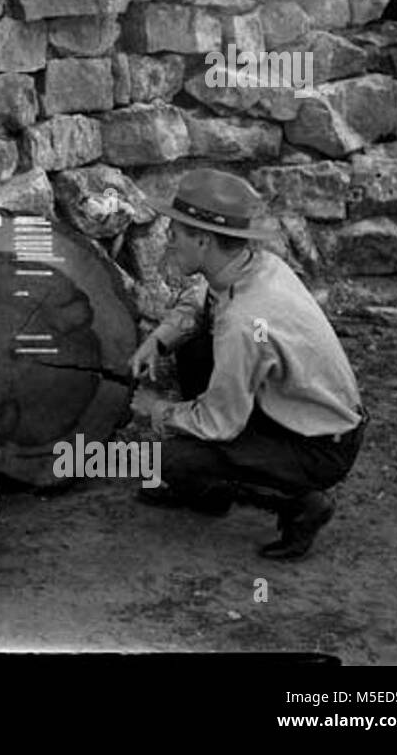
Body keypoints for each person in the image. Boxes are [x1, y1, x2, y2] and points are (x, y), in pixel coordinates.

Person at [128, 168, 367, 560]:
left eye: (176, 233)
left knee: (171, 459)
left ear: (203, 240)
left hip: (318, 447)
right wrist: (160, 339)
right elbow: (201, 298)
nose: (169, 242)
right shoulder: (256, 265)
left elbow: (219, 423)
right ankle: (209, 492)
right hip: (300, 415)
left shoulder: (243, 321)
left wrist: (156, 411)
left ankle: (302, 504)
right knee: (192, 344)